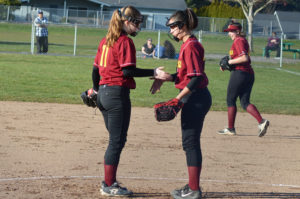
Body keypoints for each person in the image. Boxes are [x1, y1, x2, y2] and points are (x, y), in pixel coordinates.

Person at [90, 5, 168, 197]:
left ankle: (110, 181)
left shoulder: (105, 41)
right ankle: (109, 185)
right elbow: (127, 71)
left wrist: (96, 90)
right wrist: (153, 72)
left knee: (116, 140)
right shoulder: (124, 42)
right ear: (127, 22)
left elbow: (95, 71)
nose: (139, 26)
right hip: (117, 95)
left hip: (104, 96)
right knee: (116, 141)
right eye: (136, 23)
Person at [151, 8, 212, 199]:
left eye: (172, 26)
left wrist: (178, 98)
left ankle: (194, 190)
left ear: (182, 26)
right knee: (189, 142)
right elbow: (184, 76)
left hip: (196, 98)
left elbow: (195, 78)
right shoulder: (187, 45)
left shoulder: (192, 46)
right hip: (192, 97)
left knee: (190, 142)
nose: (170, 30)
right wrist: (166, 78)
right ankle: (192, 185)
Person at [218, 21, 270, 137]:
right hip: (248, 74)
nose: (229, 34)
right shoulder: (241, 40)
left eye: (231, 31)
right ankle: (262, 122)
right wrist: (226, 66)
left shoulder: (238, 40)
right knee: (244, 102)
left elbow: (244, 58)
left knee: (230, 100)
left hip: (240, 74)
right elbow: (239, 59)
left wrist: (229, 62)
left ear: (237, 31)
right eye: (228, 31)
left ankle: (231, 129)